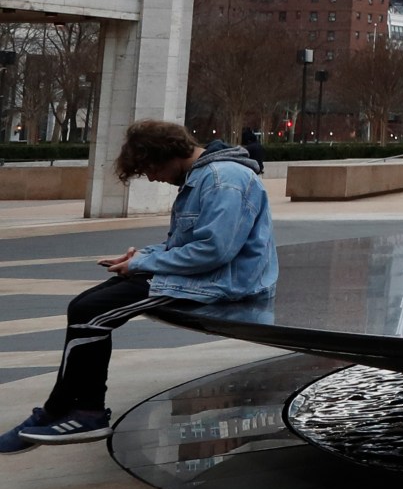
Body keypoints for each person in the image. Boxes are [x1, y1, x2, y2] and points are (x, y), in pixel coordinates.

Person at [2, 121, 274, 451]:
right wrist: (142, 256)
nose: (152, 178)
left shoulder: (223, 180)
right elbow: (185, 244)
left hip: (222, 283)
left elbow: (215, 251)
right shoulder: (204, 177)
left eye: (149, 168)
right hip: (203, 274)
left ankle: (88, 412)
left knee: (92, 312)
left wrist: (143, 264)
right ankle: (55, 410)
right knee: (83, 305)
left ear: (167, 155)